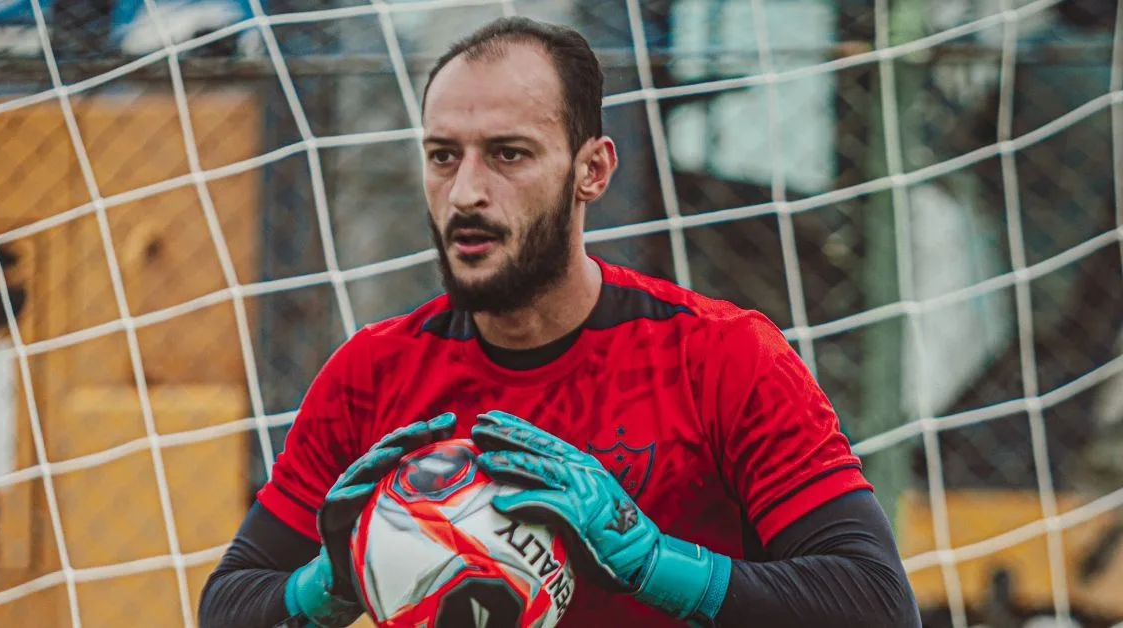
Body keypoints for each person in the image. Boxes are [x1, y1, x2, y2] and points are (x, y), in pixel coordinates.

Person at [199, 16, 921, 628]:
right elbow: (228, 603)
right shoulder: (373, 374)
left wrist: (650, 561)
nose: (467, 192)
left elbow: (877, 601)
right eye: (443, 157)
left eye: (508, 155)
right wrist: (329, 581)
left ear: (593, 171)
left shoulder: (722, 355)